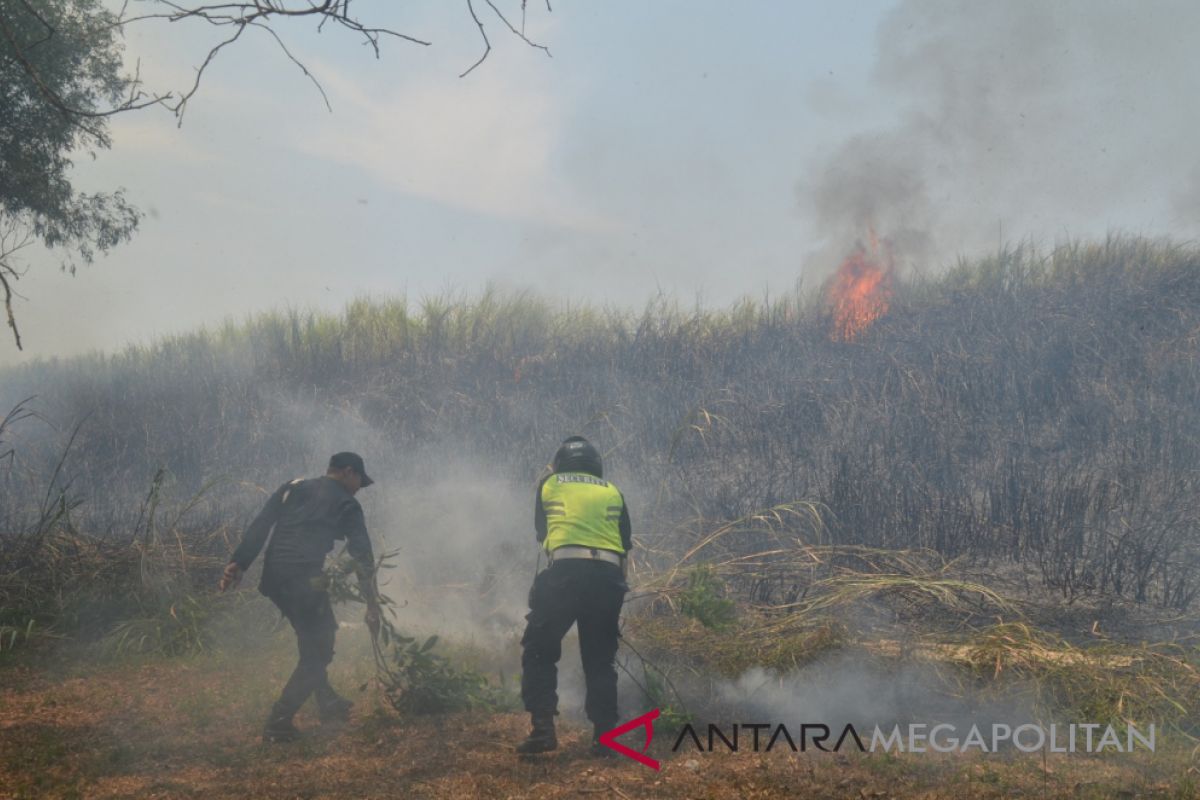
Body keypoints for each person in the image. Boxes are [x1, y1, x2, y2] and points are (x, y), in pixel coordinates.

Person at [219, 451, 381, 743]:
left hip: (274, 579)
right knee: (319, 650)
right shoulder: (347, 504)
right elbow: (363, 557)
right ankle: (278, 723)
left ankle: (327, 701)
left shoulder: (293, 487)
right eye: (359, 481)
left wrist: (239, 562)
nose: (359, 488)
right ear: (348, 472)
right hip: (304, 580)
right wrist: (372, 603)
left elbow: (262, 524)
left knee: (311, 638)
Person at [517, 436, 631, 756]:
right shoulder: (612, 490)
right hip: (609, 578)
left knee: (539, 649)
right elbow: (625, 545)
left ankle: (542, 729)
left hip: (565, 573)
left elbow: (543, 533)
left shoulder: (550, 484)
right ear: (596, 465)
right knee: (599, 660)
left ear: (560, 463)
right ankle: (604, 737)